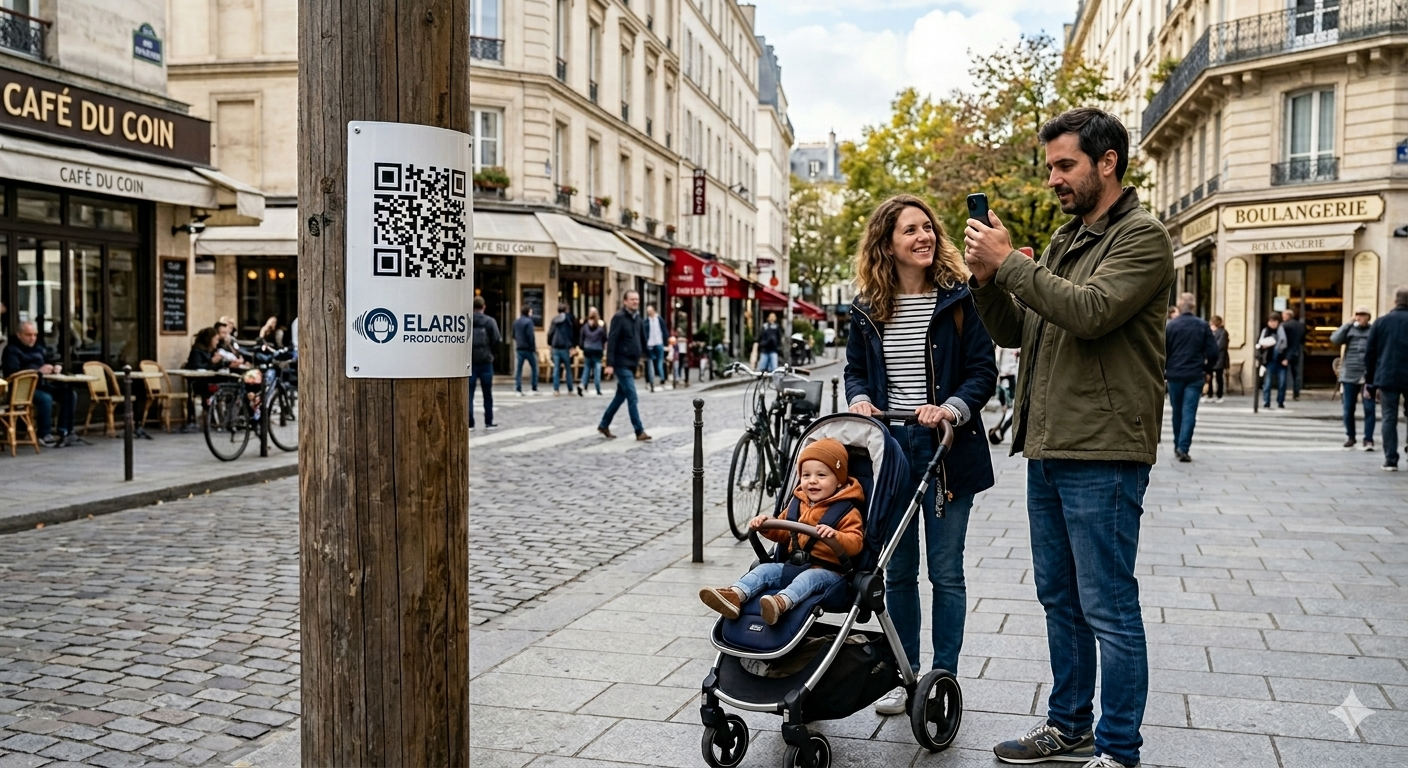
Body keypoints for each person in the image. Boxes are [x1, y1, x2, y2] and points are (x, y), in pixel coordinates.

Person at [964, 108, 1173, 768]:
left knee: (1108, 605)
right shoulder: (1064, 240)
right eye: (1049, 166)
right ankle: (1068, 724)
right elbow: (1018, 331)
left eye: (1065, 166)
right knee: (1060, 599)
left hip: (1105, 448)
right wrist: (987, 278)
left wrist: (1013, 267)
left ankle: (1117, 748)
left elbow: (1088, 314)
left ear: (1107, 162)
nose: (1053, 178)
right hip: (1050, 446)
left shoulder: (1142, 238)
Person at [843, 194, 997, 716]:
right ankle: (904, 675)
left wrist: (950, 408)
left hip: (946, 451)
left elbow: (982, 372)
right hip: (892, 450)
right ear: (887, 243)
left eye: (928, 227)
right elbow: (856, 371)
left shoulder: (958, 298)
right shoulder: (867, 307)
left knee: (946, 572)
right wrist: (859, 398)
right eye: (910, 230)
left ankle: (941, 681)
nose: (924, 236)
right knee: (899, 571)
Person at [698, 438, 865, 625]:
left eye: (821, 475)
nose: (812, 481)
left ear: (839, 481)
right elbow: (783, 532)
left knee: (809, 578)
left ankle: (781, 603)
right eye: (806, 475)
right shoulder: (797, 503)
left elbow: (856, 543)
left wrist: (836, 536)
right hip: (794, 565)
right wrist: (766, 525)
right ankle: (735, 595)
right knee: (763, 570)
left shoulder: (847, 510)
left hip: (830, 573)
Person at [1, 320, 77, 447]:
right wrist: (38, 371)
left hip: (43, 384)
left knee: (69, 394)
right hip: (22, 390)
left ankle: (65, 431)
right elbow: (12, 372)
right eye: (28, 335)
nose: (32, 338)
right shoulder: (11, 350)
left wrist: (55, 367)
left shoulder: (39, 348)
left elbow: (49, 360)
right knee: (45, 399)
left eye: (35, 335)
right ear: (19, 335)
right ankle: (44, 434)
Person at [1164, 293, 1217, 463]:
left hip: (1175, 374)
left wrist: (1166, 369)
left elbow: (1163, 351)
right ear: (1193, 307)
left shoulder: (1171, 326)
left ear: (1179, 306)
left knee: (1177, 411)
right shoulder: (1202, 326)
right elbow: (1214, 352)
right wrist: (1207, 368)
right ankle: (1183, 447)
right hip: (1195, 374)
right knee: (1189, 411)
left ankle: (1177, 444)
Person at [598, 290, 651, 441]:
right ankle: (639, 430)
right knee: (632, 397)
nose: (635, 302)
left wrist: (648, 355)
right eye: (632, 299)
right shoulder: (619, 318)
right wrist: (609, 364)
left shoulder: (638, 319)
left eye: (637, 299)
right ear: (625, 302)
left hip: (632, 363)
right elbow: (612, 341)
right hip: (621, 363)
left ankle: (604, 424)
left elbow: (642, 339)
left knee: (620, 397)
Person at [1366, 287, 1408, 471]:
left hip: (1387, 375)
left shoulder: (1381, 322)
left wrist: (1370, 381)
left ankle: (1391, 459)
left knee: (1389, 417)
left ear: (1394, 301)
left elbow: (1370, 354)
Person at [1331, 306, 1375, 451]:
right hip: (1349, 374)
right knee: (1348, 408)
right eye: (1358, 315)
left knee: (1369, 408)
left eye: (1363, 315)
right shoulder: (1349, 329)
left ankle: (1368, 439)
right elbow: (1335, 339)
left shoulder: (1373, 330)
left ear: (1368, 317)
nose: (1360, 317)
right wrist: (1348, 324)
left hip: (1368, 375)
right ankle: (1351, 436)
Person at [469, 296, 501, 429]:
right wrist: (492, 354)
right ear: (484, 307)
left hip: (470, 362)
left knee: (469, 394)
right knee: (487, 393)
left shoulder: (467, 320)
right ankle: (489, 421)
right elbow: (496, 339)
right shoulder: (489, 321)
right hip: (486, 362)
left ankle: (470, 423)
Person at [1258, 313, 1289, 409]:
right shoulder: (1265, 331)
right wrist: (1263, 347)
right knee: (1267, 383)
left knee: (1282, 383)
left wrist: (1286, 358)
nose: (1272, 323)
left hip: (1281, 360)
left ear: (1278, 322)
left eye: (1274, 321)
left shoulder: (1283, 331)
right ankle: (1266, 401)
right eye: (1270, 321)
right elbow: (1259, 345)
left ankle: (1280, 402)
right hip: (1269, 360)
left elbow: (1287, 345)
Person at [547, 304, 577, 396]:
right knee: (568, 368)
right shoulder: (568, 320)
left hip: (555, 346)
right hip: (565, 347)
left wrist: (550, 343)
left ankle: (556, 389)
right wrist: (572, 345)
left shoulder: (554, 320)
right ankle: (570, 389)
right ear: (566, 310)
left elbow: (550, 333)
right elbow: (570, 333)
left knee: (556, 369)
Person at [578, 307, 606, 396]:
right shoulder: (600, 327)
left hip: (587, 349)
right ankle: (598, 388)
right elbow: (604, 338)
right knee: (597, 370)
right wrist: (602, 347)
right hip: (597, 350)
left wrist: (582, 347)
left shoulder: (585, 326)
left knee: (586, 369)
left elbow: (581, 339)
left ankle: (582, 384)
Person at [512, 305, 539, 396]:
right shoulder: (529, 322)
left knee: (519, 370)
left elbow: (513, 335)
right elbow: (530, 336)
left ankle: (518, 389)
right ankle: (534, 387)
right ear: (528, 312)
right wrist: (533, 348)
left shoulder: (516, 322)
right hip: (529, 349)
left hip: (519, 348)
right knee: (534, 368)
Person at [1282, 308, 1307, 401]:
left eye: (1284, 315)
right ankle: (1296, 394)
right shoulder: (1300, 325)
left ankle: (1282, 392)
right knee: (1296, 373)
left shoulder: (1284, 325)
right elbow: (1303, 338)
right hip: (1297, 350)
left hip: (1286, 350)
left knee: (1283, 372)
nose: (1283, 317)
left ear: (1288, 316)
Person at [644, 304, 668, 392]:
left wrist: (666, 343)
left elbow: (664, 331)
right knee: (650, 363)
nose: (649, 313)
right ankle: (651, 381)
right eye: (648, 312)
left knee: (660, 362)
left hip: (659, 343)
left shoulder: (659, 319)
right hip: (650, 344)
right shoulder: (646, 321)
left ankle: (662, 379)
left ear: (654, 311)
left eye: (650, 311)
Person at [1205, 315, 1229, 403]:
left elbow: (1221, 345)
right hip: (1211, 358)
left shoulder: (1223, 332)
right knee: (1209, 377)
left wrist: (1210, 348)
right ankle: (1209, 394)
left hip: (1220, 358)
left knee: (1219, 377)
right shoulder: (1211, 333)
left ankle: (1219, 395)